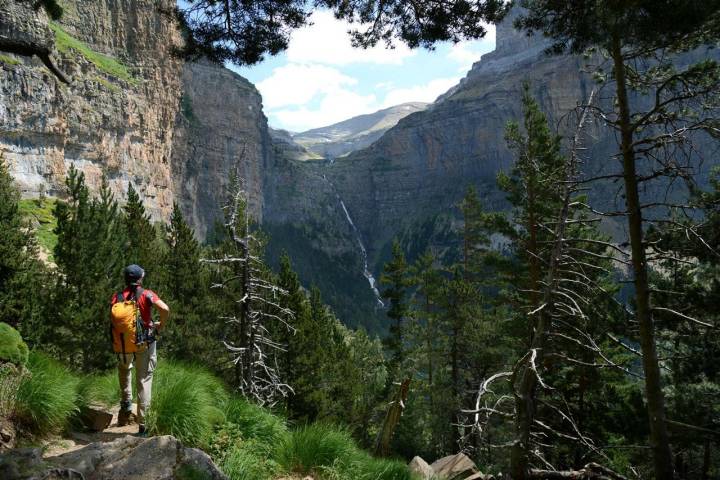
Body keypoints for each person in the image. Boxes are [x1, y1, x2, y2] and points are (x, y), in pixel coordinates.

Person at [111, 264, 169, 435]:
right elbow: (165, 309)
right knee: (144, 380)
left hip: (123, 344)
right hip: (144, 343)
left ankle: (126, 404)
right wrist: (161, 325)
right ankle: (143, 426)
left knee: (124, 369)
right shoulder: (147, 294)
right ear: (140, 278)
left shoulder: (117, 297)